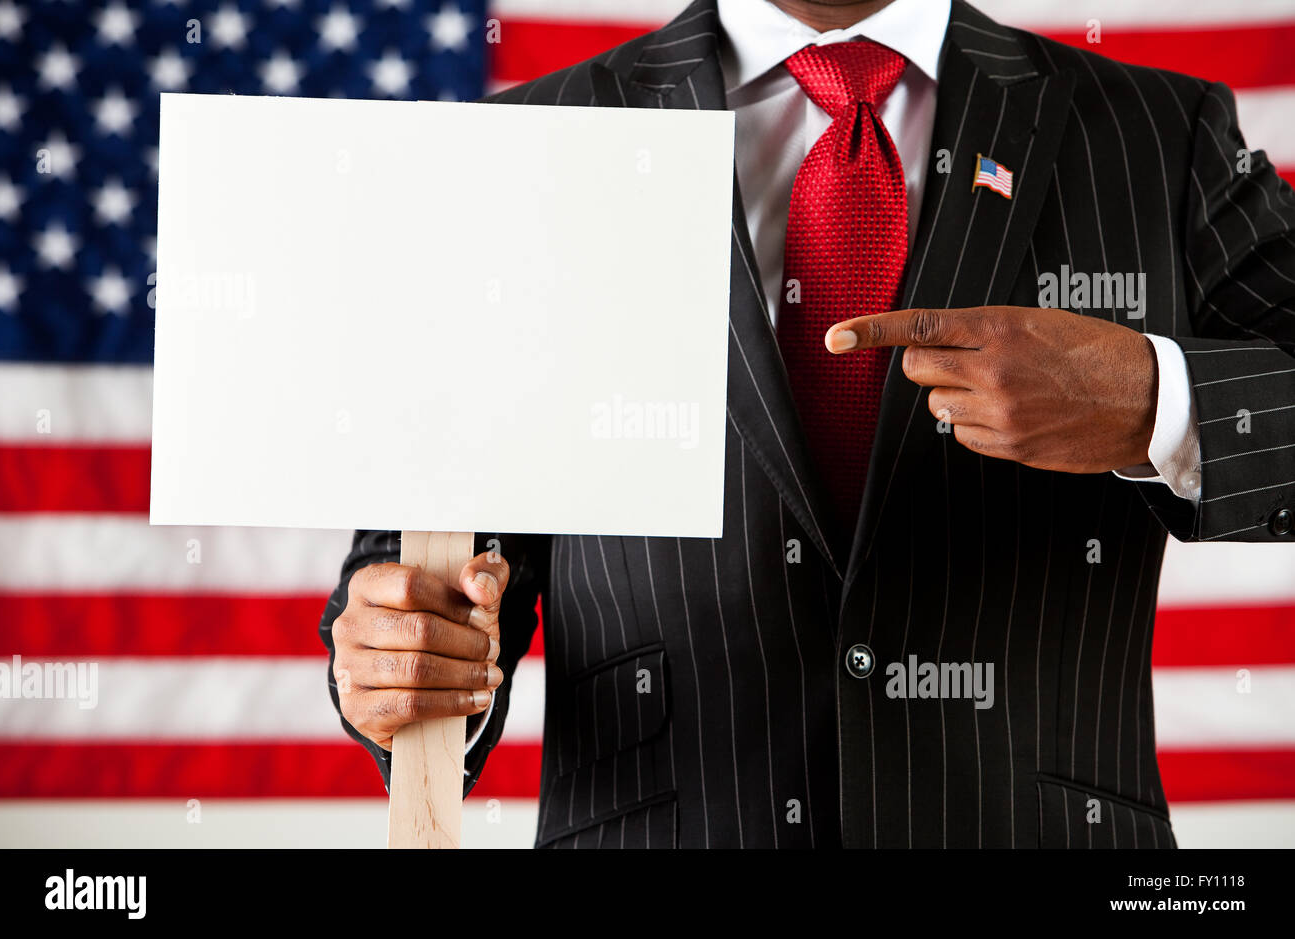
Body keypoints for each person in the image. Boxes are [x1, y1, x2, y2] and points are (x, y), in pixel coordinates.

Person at [320, 0, 1295, 847]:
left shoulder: (1157, 134)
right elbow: (429, 567)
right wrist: (402, 658)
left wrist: (1155, 401)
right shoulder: (525, 144)